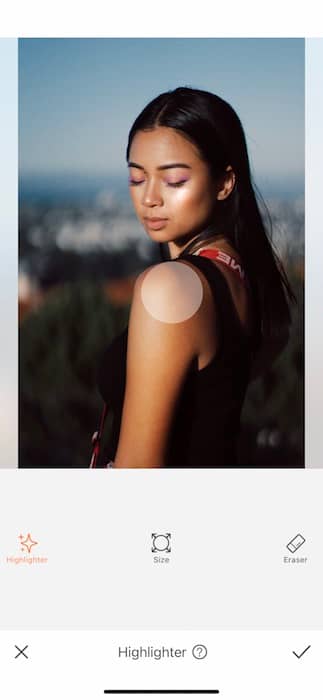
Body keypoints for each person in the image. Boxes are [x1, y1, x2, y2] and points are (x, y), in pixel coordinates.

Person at [97, 86, 295, 468]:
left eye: (173, 180)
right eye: (137, 178)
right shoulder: (243, 275)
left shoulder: (169, 287)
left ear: (225, 182)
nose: (149, 197)